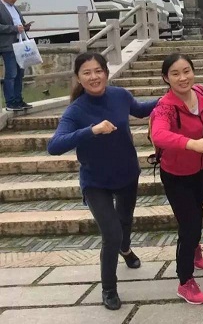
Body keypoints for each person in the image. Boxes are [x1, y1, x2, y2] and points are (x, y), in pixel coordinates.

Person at [47, 52, 157, 311]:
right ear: (78, 78)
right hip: (95, 182)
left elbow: (141, 110)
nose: (94, 77)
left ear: (106, 73)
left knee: (125, 222)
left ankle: (126, 250)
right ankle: (109, 289)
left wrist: (170, 96)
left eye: (98, 71)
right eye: (87, 72)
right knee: (111, 233)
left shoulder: (120, 95)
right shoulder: (75, 110)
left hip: (127, 174)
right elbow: (54, 146)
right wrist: (91, 130)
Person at [150, 53, 203, 305]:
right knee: (189, 226)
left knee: (197, 213)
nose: (182, 78)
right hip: (176, 175)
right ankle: (185, 280)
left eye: (186, 71)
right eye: (175, 73)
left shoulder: (200, 93)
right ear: (166, 78)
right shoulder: (165, 107)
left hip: (202, 168)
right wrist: (192, 144)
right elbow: (159, 135)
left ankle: (194, 245)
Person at [0, 0, 32, 111]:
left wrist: (25, 26)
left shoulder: (15, 8)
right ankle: (10, 102)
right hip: (8, 45)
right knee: (11, 73)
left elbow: (19, 22)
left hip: (20, 43)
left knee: (20, 74)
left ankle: (18, 100)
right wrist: (14, 29)